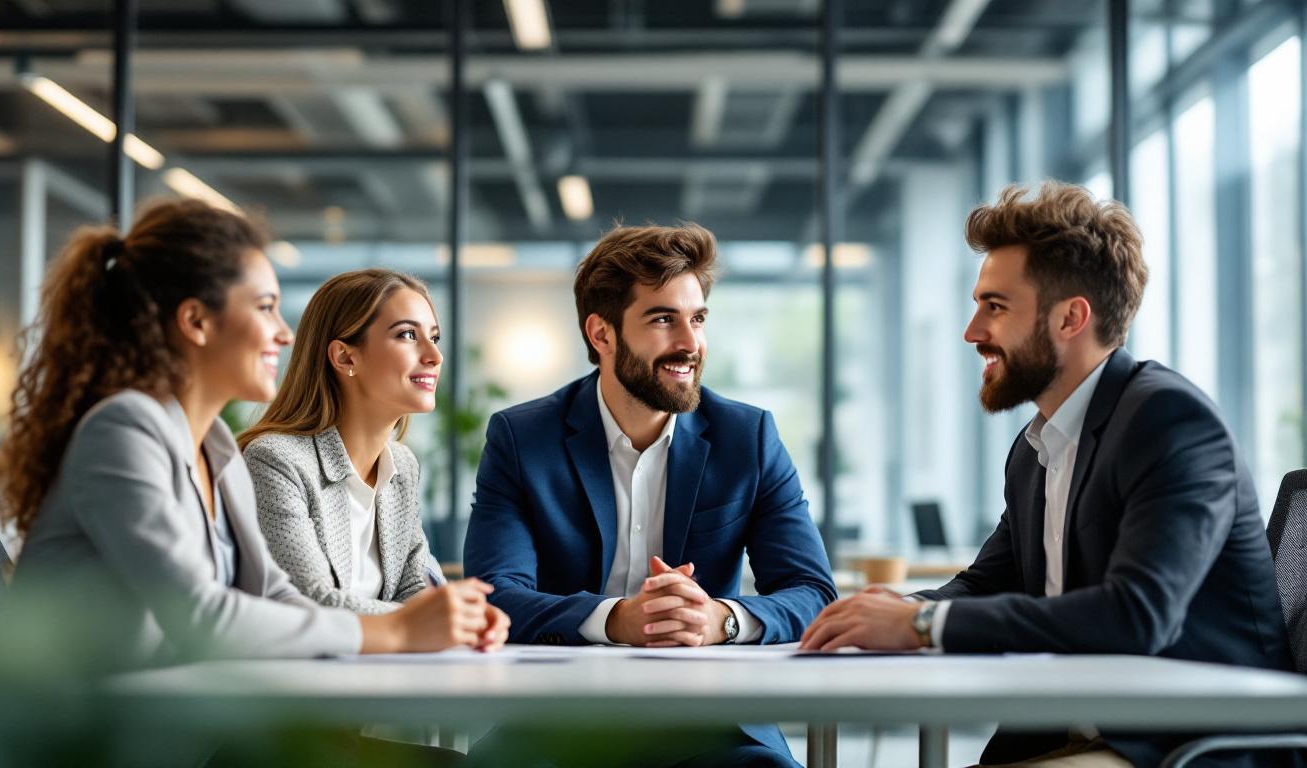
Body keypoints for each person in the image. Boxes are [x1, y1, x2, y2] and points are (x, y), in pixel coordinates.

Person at [800, 182, 1296, 767]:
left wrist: (922, 623)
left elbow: (1136, 616)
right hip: (1080, 737)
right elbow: (989, 582)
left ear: (1070, 318)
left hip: (1189, 748)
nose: (972, 331)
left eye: (995, 307)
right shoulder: (1038, 445)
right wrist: (887, 609)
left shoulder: (1170, 422)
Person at [0, 200, 502, 672]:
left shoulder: (215, 445)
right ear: (196, 321)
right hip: (86, 739)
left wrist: (431, 622)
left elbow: (274, 596)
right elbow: (202, 617)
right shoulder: (123, 430)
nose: (284, 332)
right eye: (264, 307)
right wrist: (395, 630)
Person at [464, 222, 836, 767]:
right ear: (602, 334)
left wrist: (721, 620)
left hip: (713, 725)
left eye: (698, 318)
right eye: (663, 319)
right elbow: (495, 594)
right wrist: (616, 619)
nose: (690, 344)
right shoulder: (523, 439)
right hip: (557, 721)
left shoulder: (747, 438)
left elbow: (812, 591)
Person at [239, 269, 504, 645]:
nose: (434, 356)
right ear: (345, 356)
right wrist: (438, 618)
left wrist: (464, 617)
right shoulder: (275, 461)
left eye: (434, 337)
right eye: (408, 335)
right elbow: (309, 604)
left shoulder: (402, 465)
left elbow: (414, 584)